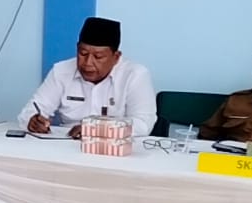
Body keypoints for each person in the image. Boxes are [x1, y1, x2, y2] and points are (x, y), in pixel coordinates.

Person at [18, 17, 156, 138]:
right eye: (83, 53)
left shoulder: (135, 75)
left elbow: (143, 124)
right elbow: (31, 110)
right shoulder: (61, 71)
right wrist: (32, 121)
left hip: (115, 149)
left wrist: (97, 129)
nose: (88, 63)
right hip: (66, 146)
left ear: (116, 57)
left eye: (98, 57)